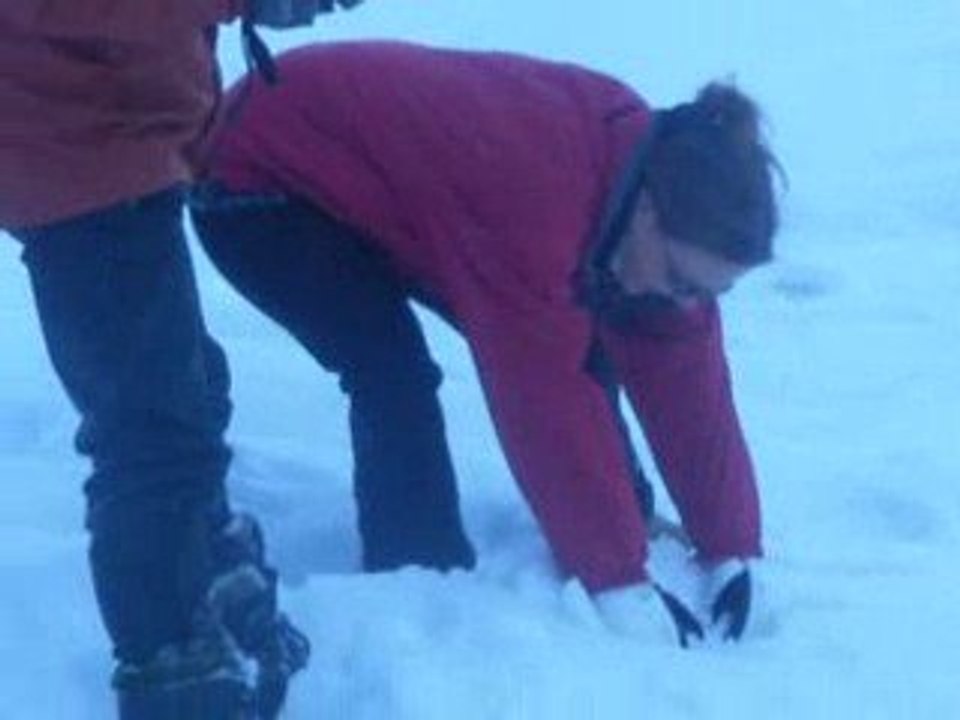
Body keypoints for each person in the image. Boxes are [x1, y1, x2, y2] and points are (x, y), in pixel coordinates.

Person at [189, 40, 780, 646]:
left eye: (706, 292)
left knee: (603, 317)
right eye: (682, 280)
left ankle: (626, 511)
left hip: (381, 185)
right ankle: (418, 577)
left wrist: (732, 547)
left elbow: (683, 373)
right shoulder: (539, 198)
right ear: (650, 213)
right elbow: (545, 397)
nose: (684, 300)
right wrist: (617, 578)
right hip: (256, 179)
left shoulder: (643, 176)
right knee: (393, 374)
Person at [0, 2, 367, 718]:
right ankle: (170, 666)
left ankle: (205, 576)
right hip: (74, 145)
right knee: (151, 430)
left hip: (112, 137)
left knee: (189, 391)